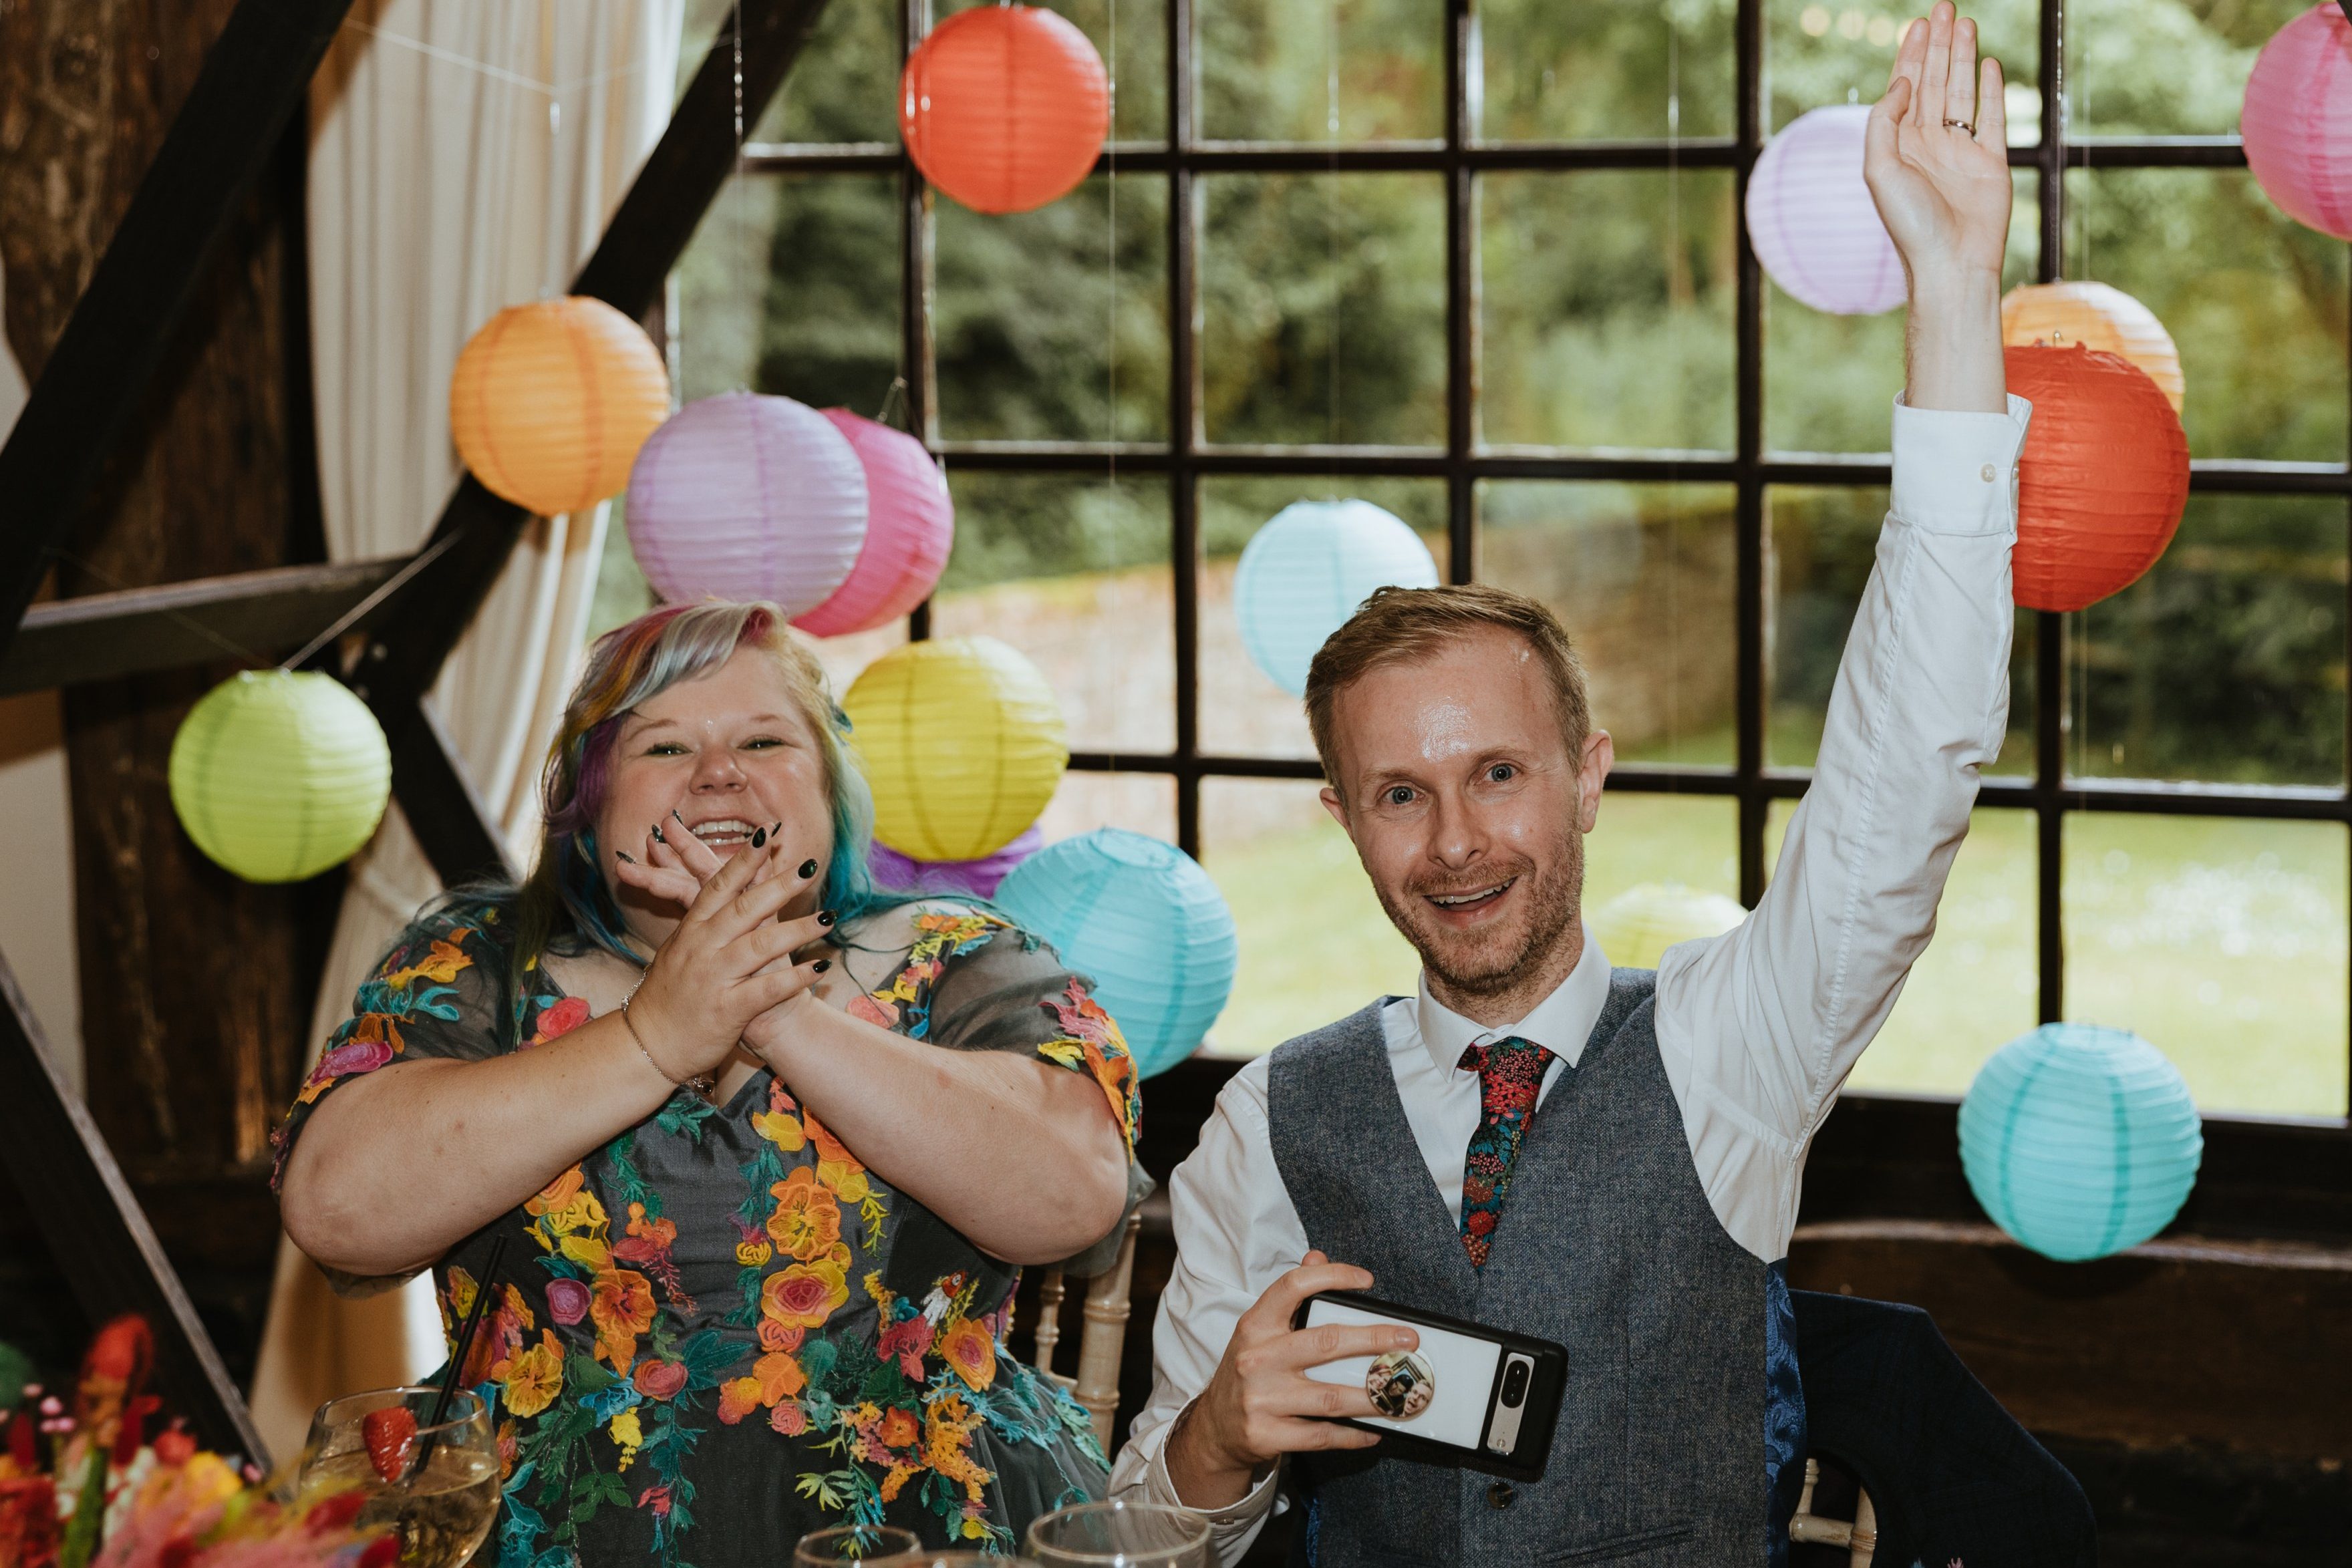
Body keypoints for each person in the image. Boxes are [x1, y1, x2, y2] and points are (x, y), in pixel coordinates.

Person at [1107, 6, 2028, 1563]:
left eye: (1497, 774)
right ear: (1339, 818)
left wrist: (1949, 290)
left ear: (1587, 776)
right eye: (1397, 793)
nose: (1456, 840)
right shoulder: (1269, 1121)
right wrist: (1206, 1439)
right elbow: (1132, 1543)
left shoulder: (1734, 1047)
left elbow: (1905, 763)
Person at [275, 601, 1142, 1564]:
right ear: (591, 811)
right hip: (539, 1531)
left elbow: (1074, 1196)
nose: (720, 773)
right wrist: (655, 1036)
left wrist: (773, 1009)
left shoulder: (960, 957)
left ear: (828, 791)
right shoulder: (478, 964)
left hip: (926, 1532)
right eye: (664, 748)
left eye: (764, 739)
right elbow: (336, 1208)